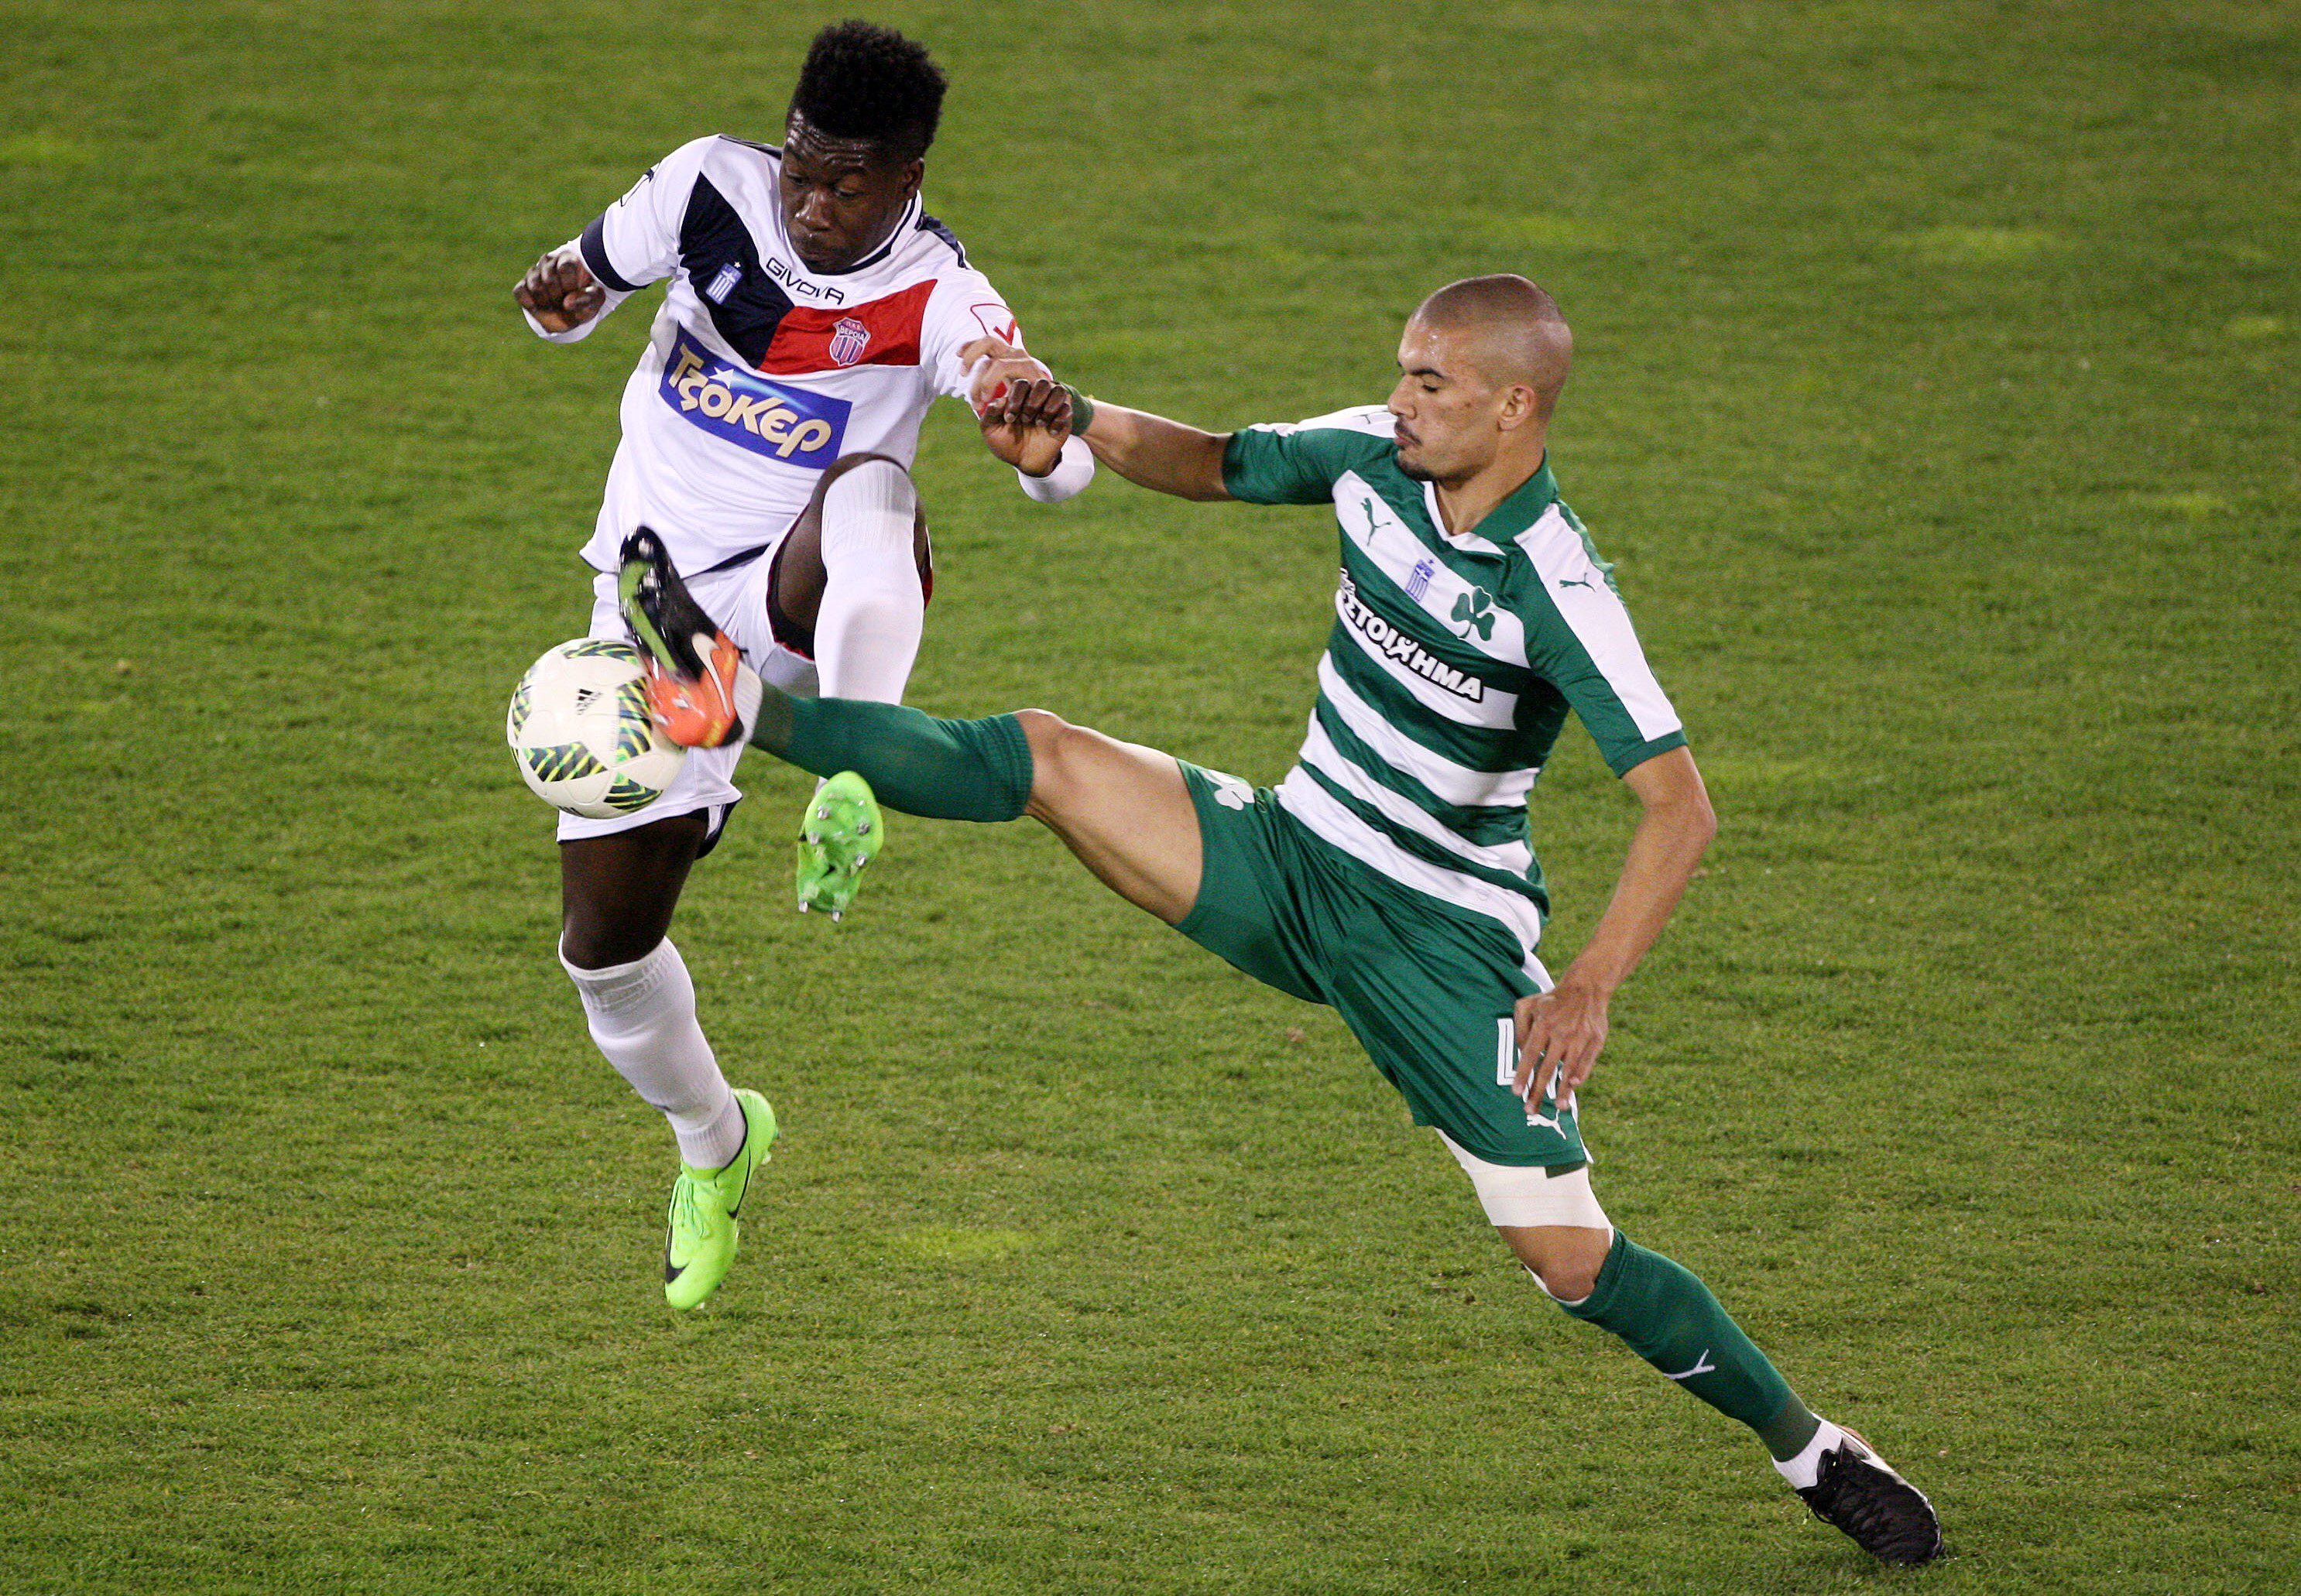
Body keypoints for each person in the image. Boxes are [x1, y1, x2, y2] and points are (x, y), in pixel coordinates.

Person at [622, 273, 1945, 1564]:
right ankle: (736, 697)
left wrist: (1589, 982)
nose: (1401, 398)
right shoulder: (1375, 456)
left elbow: (1679, 806)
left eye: (1432, 382)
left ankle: (1815, 1449)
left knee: (1568, 1258)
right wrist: (1078, 418)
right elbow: (1217, 462)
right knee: (1046, 755)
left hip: (1438, 941)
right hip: (1291, 855)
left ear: (1515, 409)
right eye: (1403, 370)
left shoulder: (1557, 586)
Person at [510, 19, 1092, 1311]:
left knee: (873, 484)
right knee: (604, 954)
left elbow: (1029, 414)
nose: (812, 205)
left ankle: (855, 766)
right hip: (649, 611)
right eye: (801, 170)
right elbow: (578, 289)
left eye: (847, 186)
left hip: (799, 597)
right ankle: (716, 1139)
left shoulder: (941, 293)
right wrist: (557, 299)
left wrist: (1038, 440)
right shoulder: (705, 186)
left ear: (909, 179)